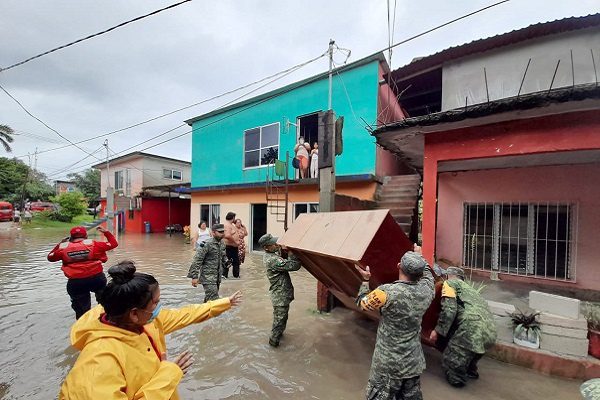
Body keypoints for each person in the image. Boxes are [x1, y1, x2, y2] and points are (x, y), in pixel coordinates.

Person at [58, 260, 242, 399]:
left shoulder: (143, 321)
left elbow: (186, 314)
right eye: (156, 302)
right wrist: (169, 374)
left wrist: (224, 303)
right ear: (134, 314)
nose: (159, 307)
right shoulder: (98, 362)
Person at [354, 250, 435, 400]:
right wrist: (420, 256)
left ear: (398, 266)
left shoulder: (386, 293)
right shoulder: (427, 290)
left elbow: (362, 304)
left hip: (387, 368)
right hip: (413, 364)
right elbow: (428, 274)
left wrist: (365, 281)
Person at [429, 266, 497, 388]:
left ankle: (457, 380)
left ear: (448, 276)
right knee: (469, 350)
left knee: (451, 361)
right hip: (491, 331)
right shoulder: (471, 291)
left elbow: (449, 310)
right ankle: (470, 369)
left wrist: (437, 331)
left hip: (471, 327)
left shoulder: (450, 284)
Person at [47, 226, 118, 319]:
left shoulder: (63, 248)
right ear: (86, 235)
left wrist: (60, 244)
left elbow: (50, 257)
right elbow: (113, 244)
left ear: (71, 237)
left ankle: (83, 326)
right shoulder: (94, 244)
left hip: (76, 282)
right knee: (105, 302)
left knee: (82, 309)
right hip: (97, 278)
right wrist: (106, 232)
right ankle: (107, 320)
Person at [259, 233, 301, 347]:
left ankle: (279, 337)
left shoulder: (271, 255)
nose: (276, 244)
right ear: (266, 247)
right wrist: (292, 252)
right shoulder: (272, 260)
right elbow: (295, 265)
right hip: (280, 295)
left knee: (282, 318)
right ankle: (273, 344)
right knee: (278, 322)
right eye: (273, 244)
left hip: (280, 293)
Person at [187, 224, 228, 302]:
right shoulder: (206, 244)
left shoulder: (222, 243)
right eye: (220, 232)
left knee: (209, 300)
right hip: (208, 277)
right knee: (214, 300)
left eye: (223, 232)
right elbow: (197, 260)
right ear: (213, 232)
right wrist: (194, 277)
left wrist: (226, 261)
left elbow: (223, 255)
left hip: (217, 277)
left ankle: (202, 313)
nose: (222, 233)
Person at [223, 211, 240, 279]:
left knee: (236, 262)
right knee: (227, 262)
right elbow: (227, 236)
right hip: (229, 247)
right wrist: (235, 242)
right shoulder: (227, 225)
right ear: (233, 218)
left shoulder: (231, 225)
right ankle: (224, 276)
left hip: (233, 247)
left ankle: (236, 276)